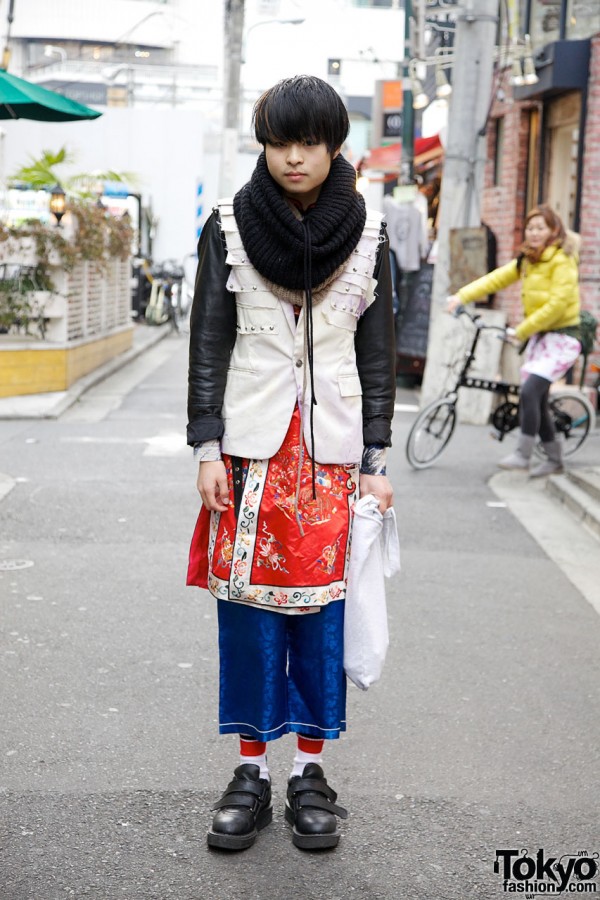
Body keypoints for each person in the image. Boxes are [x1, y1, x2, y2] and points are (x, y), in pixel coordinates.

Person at [186, 75, 396, 852]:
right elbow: (209, 337)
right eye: (280, 143)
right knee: (247, 620)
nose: (295, 157)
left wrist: (376, 455)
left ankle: (310, 770)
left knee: (321, 622)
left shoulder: (371, 230)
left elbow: (378, 353)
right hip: (247, 458)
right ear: (264, 146)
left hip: (335, 459)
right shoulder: (229, 226)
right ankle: (251, 773)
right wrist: (206, 443)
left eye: (309, 142)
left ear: (334, 145)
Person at [447, 204, 581, 477]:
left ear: (553, 231)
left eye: (540, 228)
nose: (534, 233)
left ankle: (523, 454)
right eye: (530, 228)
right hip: (542, 339)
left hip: (564, 338)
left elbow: (557, 304)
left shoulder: (562, 260)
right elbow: (495, 280)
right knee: (538, 399)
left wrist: (521, 330)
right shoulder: (527, 260)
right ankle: (554, 460)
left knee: (530, 391)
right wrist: (461, 296)